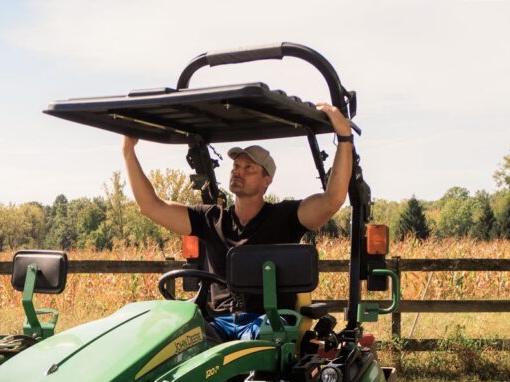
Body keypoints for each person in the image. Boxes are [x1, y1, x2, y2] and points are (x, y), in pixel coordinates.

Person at [122, 102, 354, 345]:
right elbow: (151, 206)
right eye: (236, 166)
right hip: (219, 323)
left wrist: (344, 138)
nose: (238, 172)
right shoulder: (210, 219)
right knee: (174, 344)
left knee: (253, 343)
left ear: (267, 180)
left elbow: (332, 200)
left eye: (249, 168)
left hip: (267, 322)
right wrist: (128, 151)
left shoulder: (285, 217)